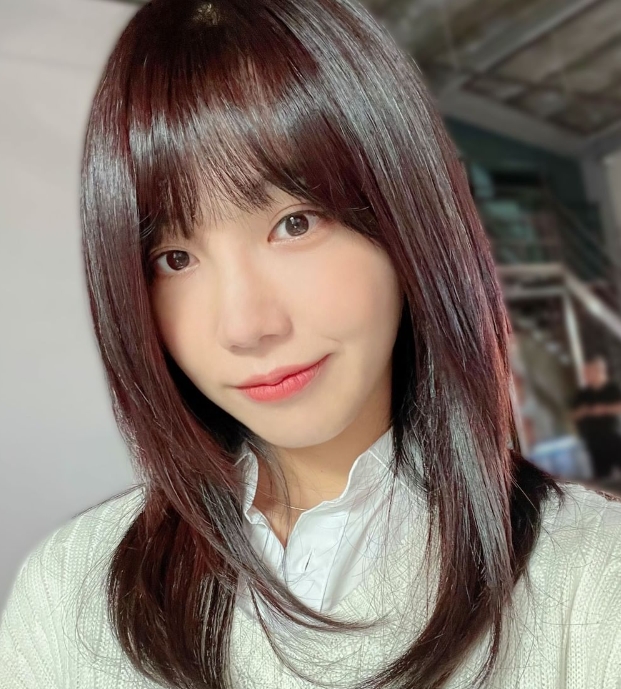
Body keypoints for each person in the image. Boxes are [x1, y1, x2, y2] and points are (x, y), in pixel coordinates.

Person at [1, 1, 621, 687]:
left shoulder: (591, 580)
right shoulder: (70, 591)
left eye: (294, 223)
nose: (245, 326)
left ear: (405, 214)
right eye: (174, 259)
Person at [570, 355, 621, 480]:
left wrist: (604, 409)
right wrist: (583, 412)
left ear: (598, 371)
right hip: (593, 441)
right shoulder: (583, 394)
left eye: (589, 372)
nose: (586, 376)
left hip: (613, 437)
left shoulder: (611, 389)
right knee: (603, 477)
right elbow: (572, 415)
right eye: (585, 373)